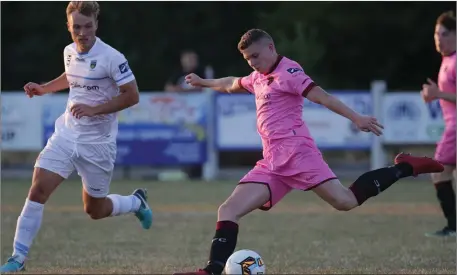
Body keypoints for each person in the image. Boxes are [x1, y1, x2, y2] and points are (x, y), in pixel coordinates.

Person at [173, 29, 445, 275]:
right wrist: (203, 82)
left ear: (271, 47)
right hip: (272, 162)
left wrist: (356, 117)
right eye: (247, 59)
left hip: (299, 154)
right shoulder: (258, 76)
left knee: (345, 202)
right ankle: (211, 271)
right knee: (228, 209)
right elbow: (231, 82)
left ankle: (404, 167)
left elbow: (322, 97)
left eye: (255, 55)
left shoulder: (289, 73)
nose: (252, 62)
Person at [0, 1, 153, 272]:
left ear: (96, 24)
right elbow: (70, 77)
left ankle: (134, 202)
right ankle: (18, 257)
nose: (82, 33)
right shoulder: (69, 51)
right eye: (76, 28)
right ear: (68, 27)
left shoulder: (112, 57)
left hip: (98, 145)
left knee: (94, 210)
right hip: (66, 135)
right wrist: (44, 89)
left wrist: (95, 110)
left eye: (87, 26)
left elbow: (132, 95)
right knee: (37, 190)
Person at [421, 11, 456, 237]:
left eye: (443, 34)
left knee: (439, 171)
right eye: (436, 34)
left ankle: (453, 227)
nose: (438, 39)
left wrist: (439, 93)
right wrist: (435, 95)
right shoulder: (447, 60)